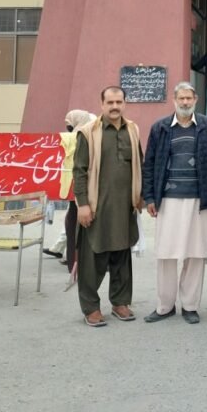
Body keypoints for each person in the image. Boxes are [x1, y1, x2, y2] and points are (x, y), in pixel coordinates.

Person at [141, 82, 207, 325]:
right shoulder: (160, 127)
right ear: (174, 100)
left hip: (200, 200)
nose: (186, 102)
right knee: (166, 253)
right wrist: (149, 197)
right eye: (182, 98)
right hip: (168, 200)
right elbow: (150, 164)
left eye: (189, 98)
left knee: (196, 254)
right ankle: (165, 306)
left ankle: (190, 306)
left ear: (196, 99)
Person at [73, 86, 143, 327]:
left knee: (122, 256)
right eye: (110, 102)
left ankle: (120, 302)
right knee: (93, 258)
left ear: (124, 103)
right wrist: (83, 204)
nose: (115, 106)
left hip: (124, 207)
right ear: (102, 104)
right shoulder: (88, 133)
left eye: (119, 102)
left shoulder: (132, 130)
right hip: (97, 206)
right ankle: (91, 307)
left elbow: (140, 164)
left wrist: (141, 195)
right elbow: (79, 171)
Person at [44, 109, 96, 272]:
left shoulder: (82, 137)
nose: (68, 128)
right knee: (74, 225)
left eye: (70, 125)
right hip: (78, 190)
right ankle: (73, 259)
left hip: (83, 190)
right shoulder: (84, 135)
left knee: (76, 225)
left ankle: (75, 261)